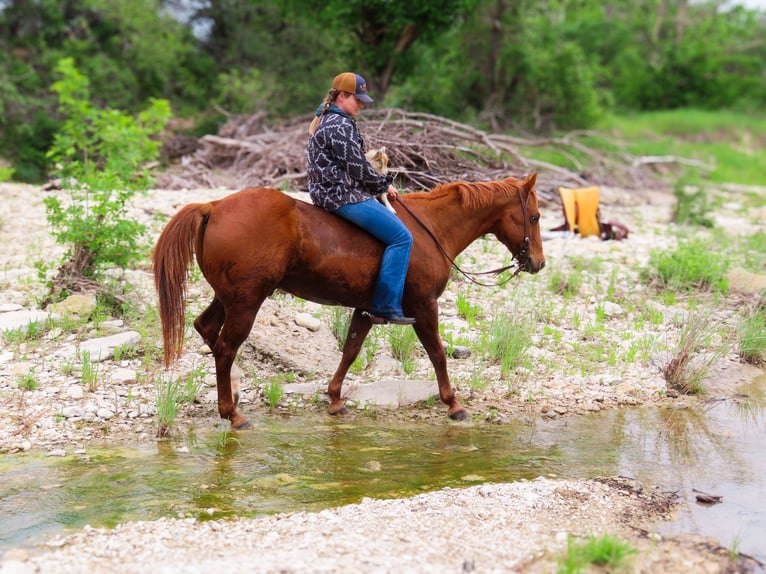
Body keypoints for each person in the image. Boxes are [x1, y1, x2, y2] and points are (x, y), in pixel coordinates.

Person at [306, 72, 415, 325]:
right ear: (342, 96)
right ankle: (385, 305)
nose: (362, 104)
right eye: (358, 99)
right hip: (342, 195)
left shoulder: (325, 119)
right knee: (402, 238)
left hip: (326, 192)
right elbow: (358, 167)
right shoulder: (339, 125)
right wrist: (384, 184)